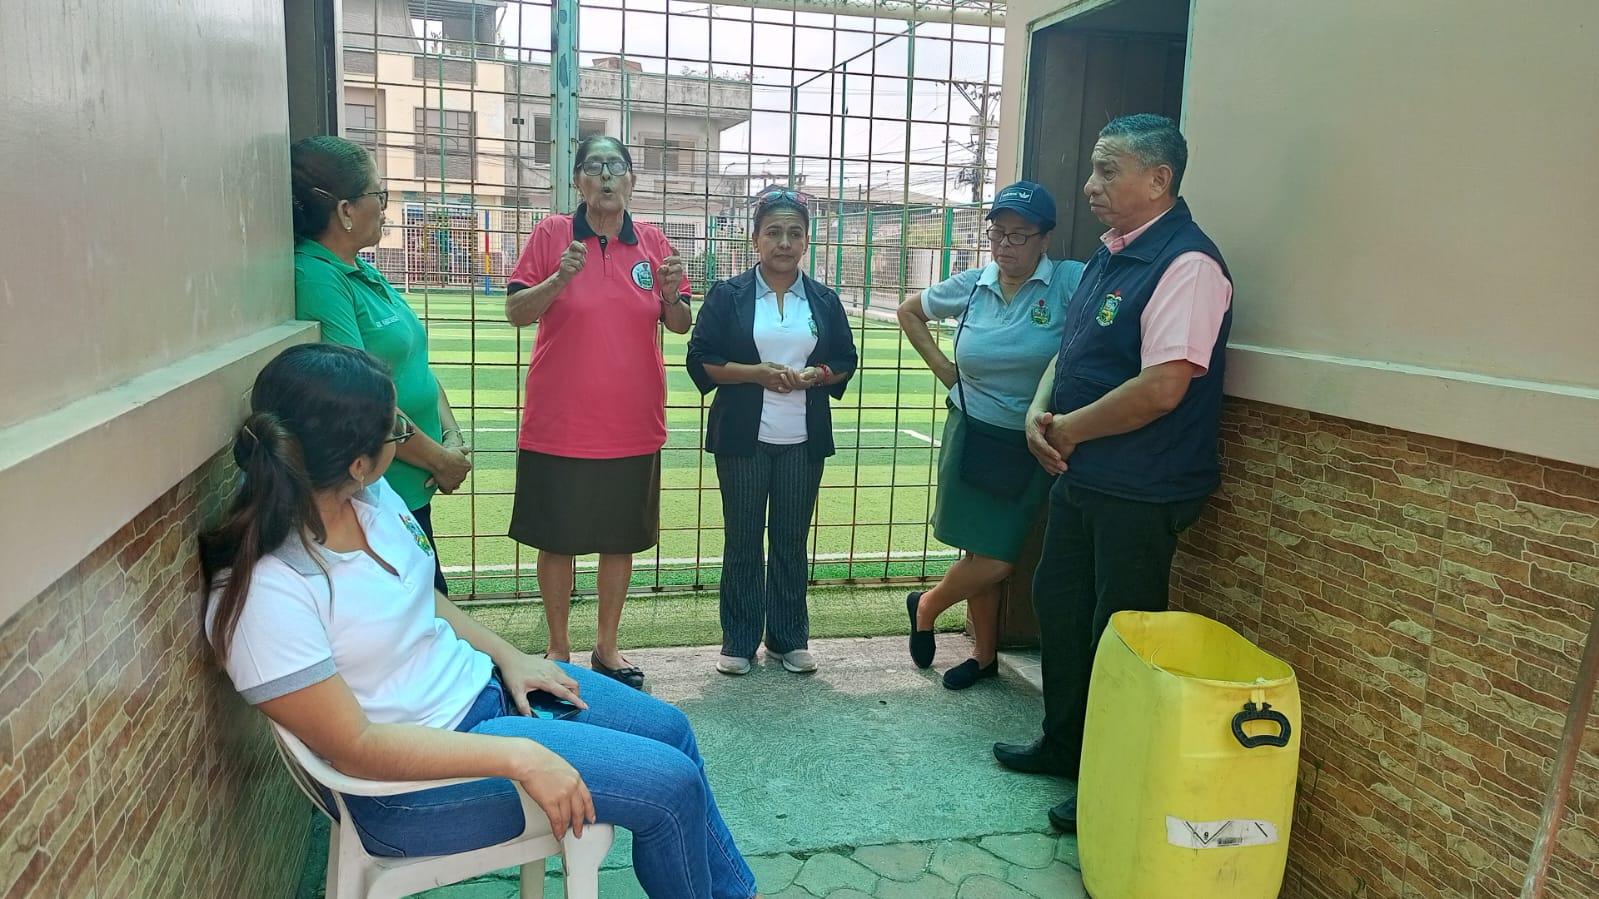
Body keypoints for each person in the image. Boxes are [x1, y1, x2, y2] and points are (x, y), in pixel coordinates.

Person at [200, 343, 761, 898]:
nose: (405, 435)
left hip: (484, 697)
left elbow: (421, 598)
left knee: (671, 730)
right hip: (410, 790)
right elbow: (356, 746)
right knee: (670, 786)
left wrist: (509, 657)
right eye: (396, 431)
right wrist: (520, 756)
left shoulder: (368, 499)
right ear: (357, 462)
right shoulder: (268, 593)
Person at [991, 114, 1234, 832]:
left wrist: (1067, 428)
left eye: (1107, 170)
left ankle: (1109, 782)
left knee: (1120, 637)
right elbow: (1073, 349)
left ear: (1158, 179)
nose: (1090, 185)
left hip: (1144, 485)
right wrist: (1039, 410)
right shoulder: (1113, 253)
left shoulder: (1187, 265)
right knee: (1059, 606)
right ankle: (1064, 744)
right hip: (1087, 473)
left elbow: (1162, 387)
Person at [503, 136, 692, 689]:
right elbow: (516, 311)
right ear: (577, 181)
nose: (606, 176)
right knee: (556, 539)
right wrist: (559, 278)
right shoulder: (551, 234)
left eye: (617, 167)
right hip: (559, 423)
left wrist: (671, 296)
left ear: (632, 179)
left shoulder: (653, 242)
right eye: (594, 166)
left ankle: (607, 647)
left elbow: (680, 324)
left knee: (619, 539)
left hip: (632, 424)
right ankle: (558, 646)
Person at [897, 182, 1084, 690]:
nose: (1005, 245)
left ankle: (927, 605)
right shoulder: (973, 283)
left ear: (1045, 239)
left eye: (1020, 235)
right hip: (972, 430)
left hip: (1031, 440)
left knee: (998, 557)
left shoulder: (1070, 281)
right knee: (978, 550)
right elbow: (910, 311)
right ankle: (983, 657)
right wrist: (946, 371)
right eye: (998, 233)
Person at [685, 188, 859, 676]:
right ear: (755, 239)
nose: (784, 242)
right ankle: (739, 641)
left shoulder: (824, 300)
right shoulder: (728, 296)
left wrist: (817, 375)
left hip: (803, 442)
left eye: (794, 233)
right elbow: (700, 359)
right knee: (742, 540)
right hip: (742, 440)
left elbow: (845, 359)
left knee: (790, 540)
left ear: (806, 242)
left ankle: (788, 638)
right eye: (774, 232)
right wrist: (755, 374)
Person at [290, 135, 472, 597]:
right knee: (425, 615)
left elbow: (414, 364)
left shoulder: (362, 270)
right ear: (346, 210)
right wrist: (441, 460)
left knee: (431, 607)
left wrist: (451, 437)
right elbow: (362, 400)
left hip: (410, 487)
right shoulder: (318, 278)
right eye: (379, 194)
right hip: (378, 493)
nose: (385, 208)